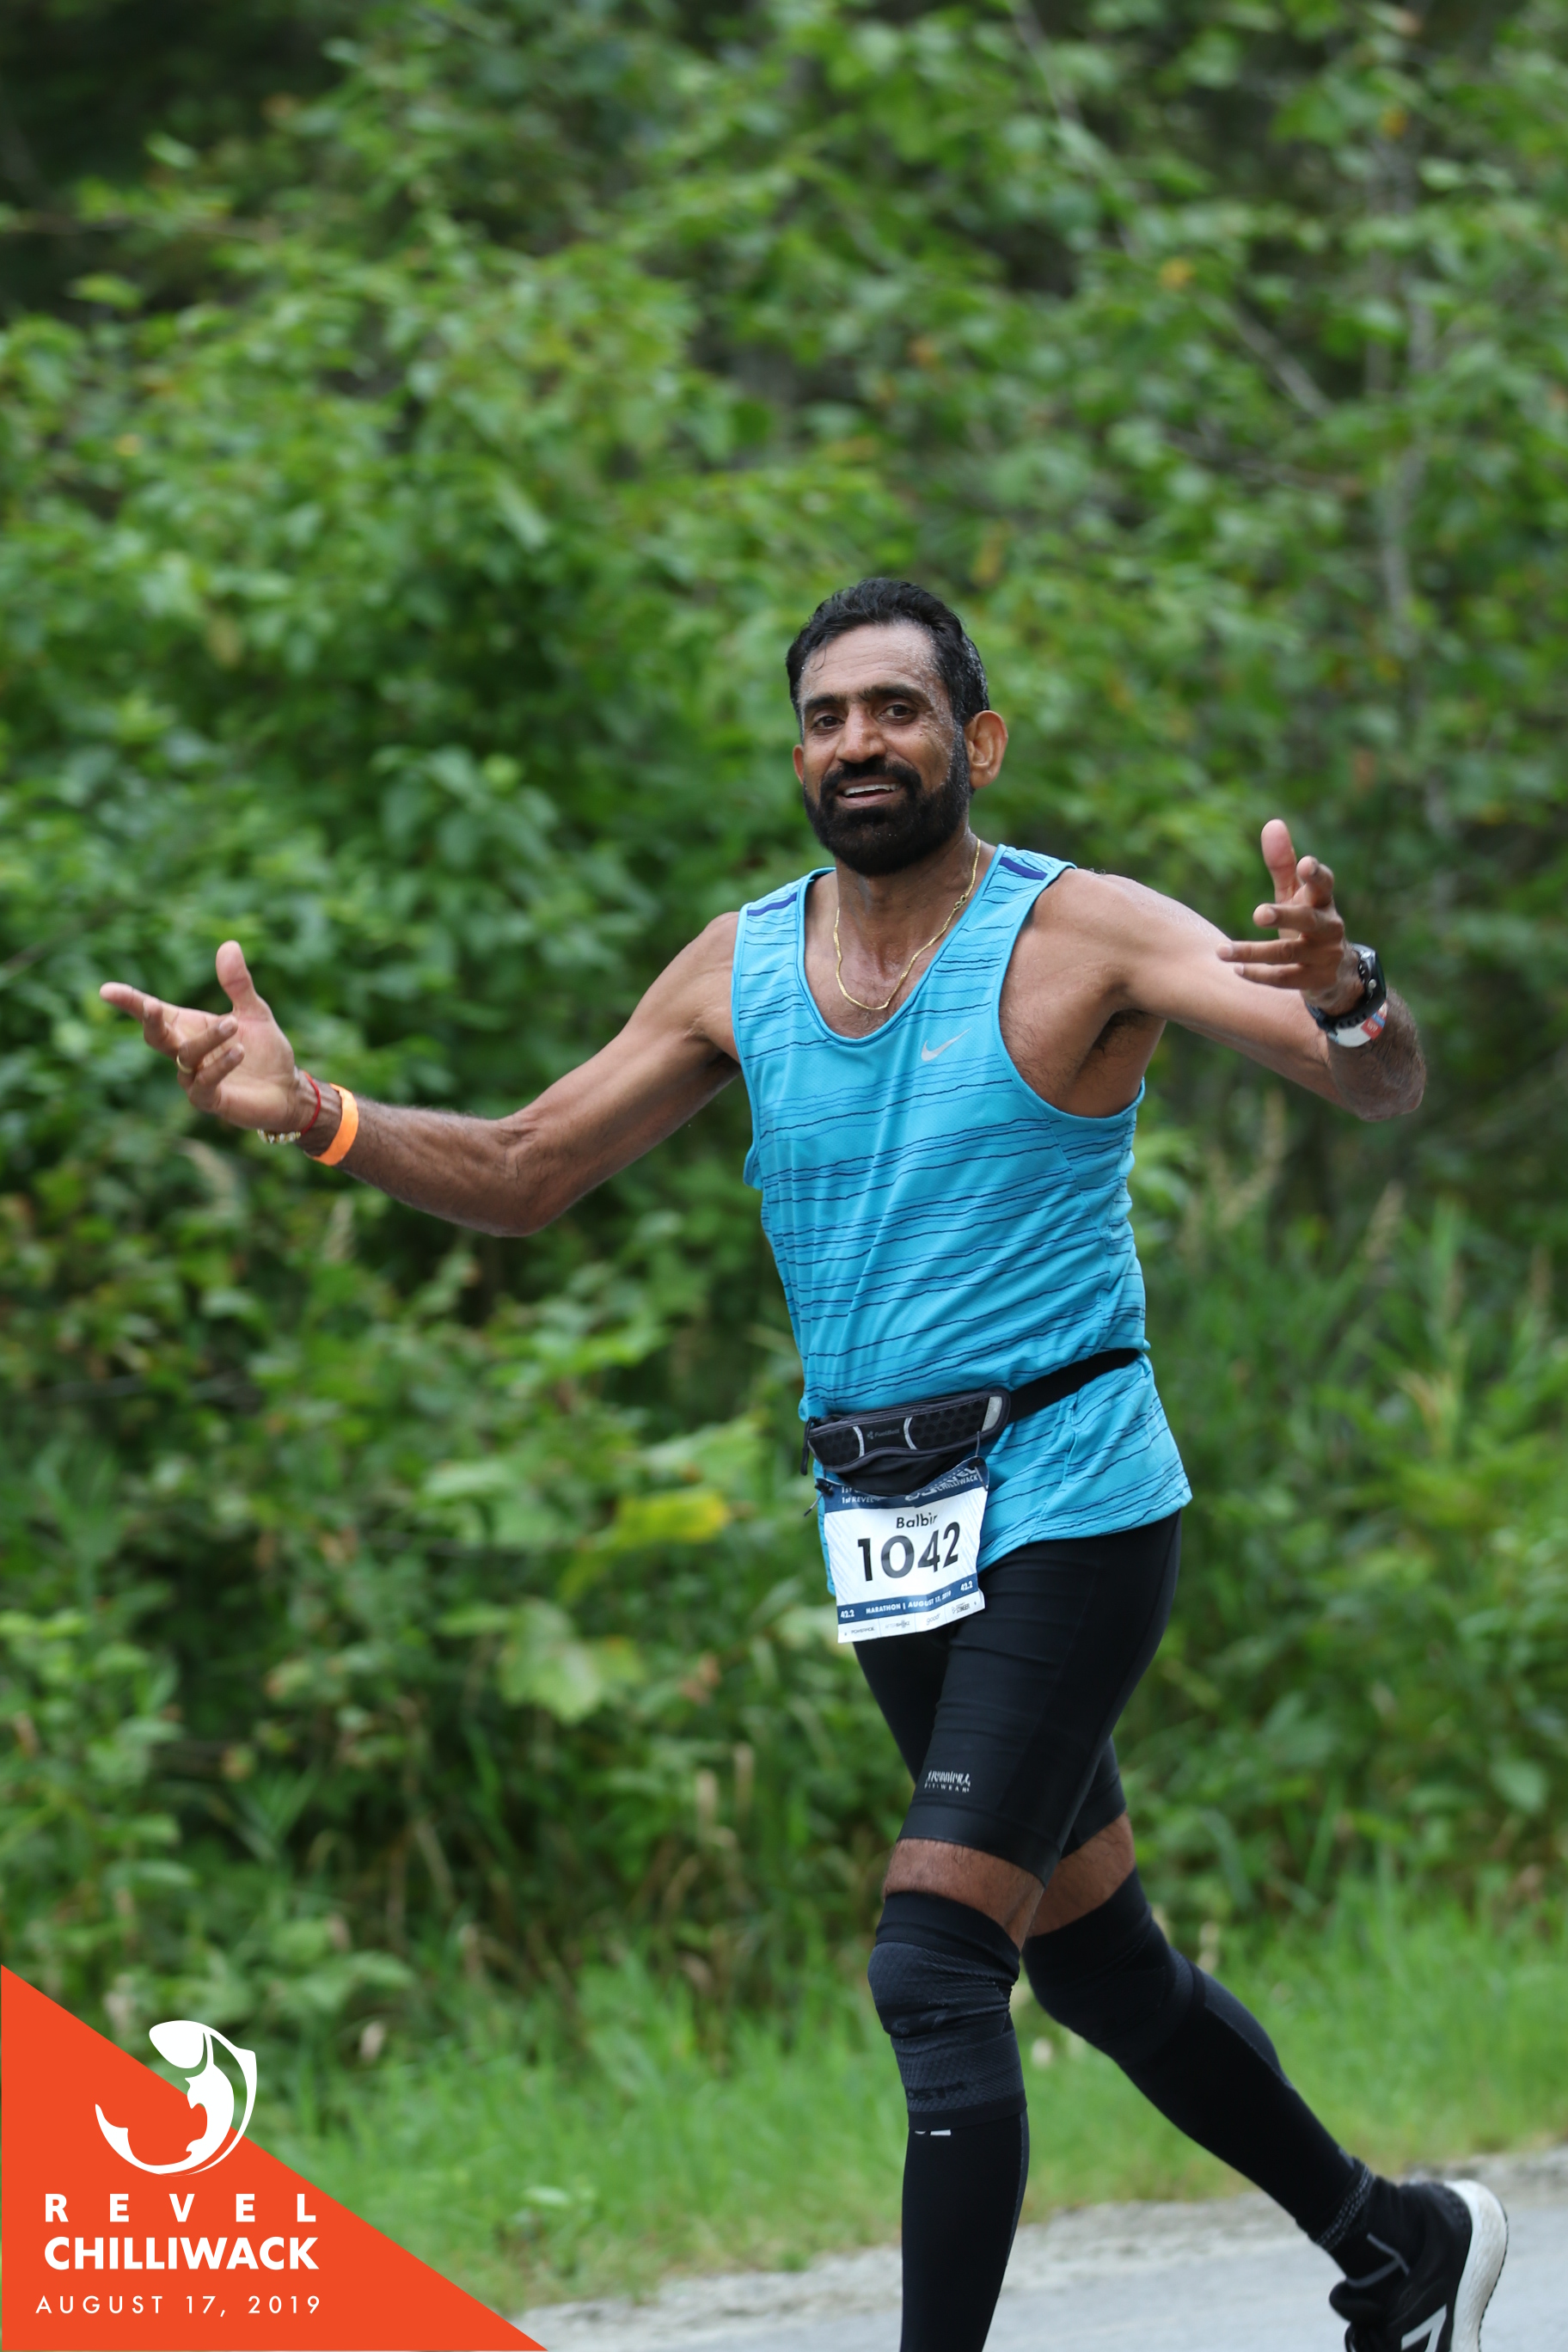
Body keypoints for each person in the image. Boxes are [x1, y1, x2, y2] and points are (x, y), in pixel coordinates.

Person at [102, 576, 1506, 2352]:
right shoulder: (740, 964)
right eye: (828, 717)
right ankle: (1400, 2246)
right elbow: (529, 1171)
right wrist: (319, 1116)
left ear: (976, 741)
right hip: (889, 1527)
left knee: (933, 1965)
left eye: (898, 710)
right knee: (1094, 1959)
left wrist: (1355, 994)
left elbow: (1374, 1086)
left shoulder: (1084, 931)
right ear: (798, 757)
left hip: (1070, 1499)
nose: (861, 742)